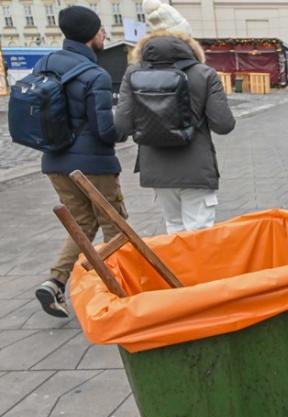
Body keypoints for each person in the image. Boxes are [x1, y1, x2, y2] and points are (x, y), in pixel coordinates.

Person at [34, 6, 126, 318]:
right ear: (90, 35)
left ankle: (55, 281)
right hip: (93, 166)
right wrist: (123, 129)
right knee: (114, 226)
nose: (104, 35)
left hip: (54, 162)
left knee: (81, 224)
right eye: (101, 30)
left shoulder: (45, 64)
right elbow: (104, 130)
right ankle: (118, 290)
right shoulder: (95, 75)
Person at [115, 2, 236, 235]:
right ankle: (199, 273)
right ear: (187, 40)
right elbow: (224, 125)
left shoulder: (134, 72)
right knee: (199, 234)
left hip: (157, 169)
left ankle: (177, 273)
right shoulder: (203, 73)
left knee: (174, 231)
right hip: (196, 168)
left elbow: (121, 125)